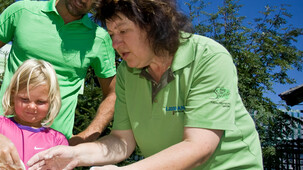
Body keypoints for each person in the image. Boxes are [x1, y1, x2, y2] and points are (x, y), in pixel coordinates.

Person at [27, 0, 263, 169]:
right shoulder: (126, 72)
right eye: (110, 34)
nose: (115, 43)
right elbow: (121, 141)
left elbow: (199, 147)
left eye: (123, 31)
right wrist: (74, 154)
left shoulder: (208, 57)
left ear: (154, 24)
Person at [0, 0, 117, 145]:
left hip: (55, 151)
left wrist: (86, 137)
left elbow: (113, 93)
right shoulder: (21, 12)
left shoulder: (99, 39)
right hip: (2, 137)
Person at [0, 59, 68, 170]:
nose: (31, 106)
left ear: (51, 101)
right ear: (13, 95)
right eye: (25, 99)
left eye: (40, 102)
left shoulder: (57, 141)